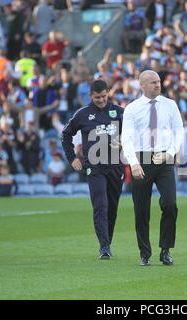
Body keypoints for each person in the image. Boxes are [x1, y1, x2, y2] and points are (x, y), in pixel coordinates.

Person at [121, 70, 184, 266]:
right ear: (142, 85)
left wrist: (171, 153)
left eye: (159, 81)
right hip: (141, 160)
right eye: (153, 82)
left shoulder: (170, 105)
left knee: (170, 204)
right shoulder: (132, 109)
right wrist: (134, 163)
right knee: (141, 209)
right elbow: (126, 138)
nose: (158, 85)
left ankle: (165, 250)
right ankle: (144, 253)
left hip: (164, 158)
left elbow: (179, 131)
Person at [62, 80, 125, 259]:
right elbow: (66, 135)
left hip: (115, 166)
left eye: (104, 96)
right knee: (100, 206)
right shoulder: (82, 114)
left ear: (108, 94)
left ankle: (108, 241)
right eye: (97, 97)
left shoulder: (120, 112)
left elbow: (133, 134)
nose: (101, 100)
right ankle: (104, 247)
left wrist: (126, 146)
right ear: (90, 96)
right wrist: (72, 157)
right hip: (94, 167)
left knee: (112, 207)